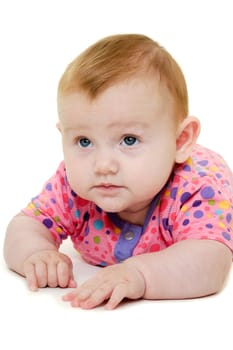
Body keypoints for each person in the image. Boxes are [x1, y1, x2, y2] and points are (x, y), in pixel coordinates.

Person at [4, 34, 233, 310]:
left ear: (180, 141)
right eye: (84, 142)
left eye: (129, 140)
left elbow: (210, 261)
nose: (103, 165)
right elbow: (25, 224)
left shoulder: (197, 188)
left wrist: (140, 274)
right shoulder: (73, 188)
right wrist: (36, 252)